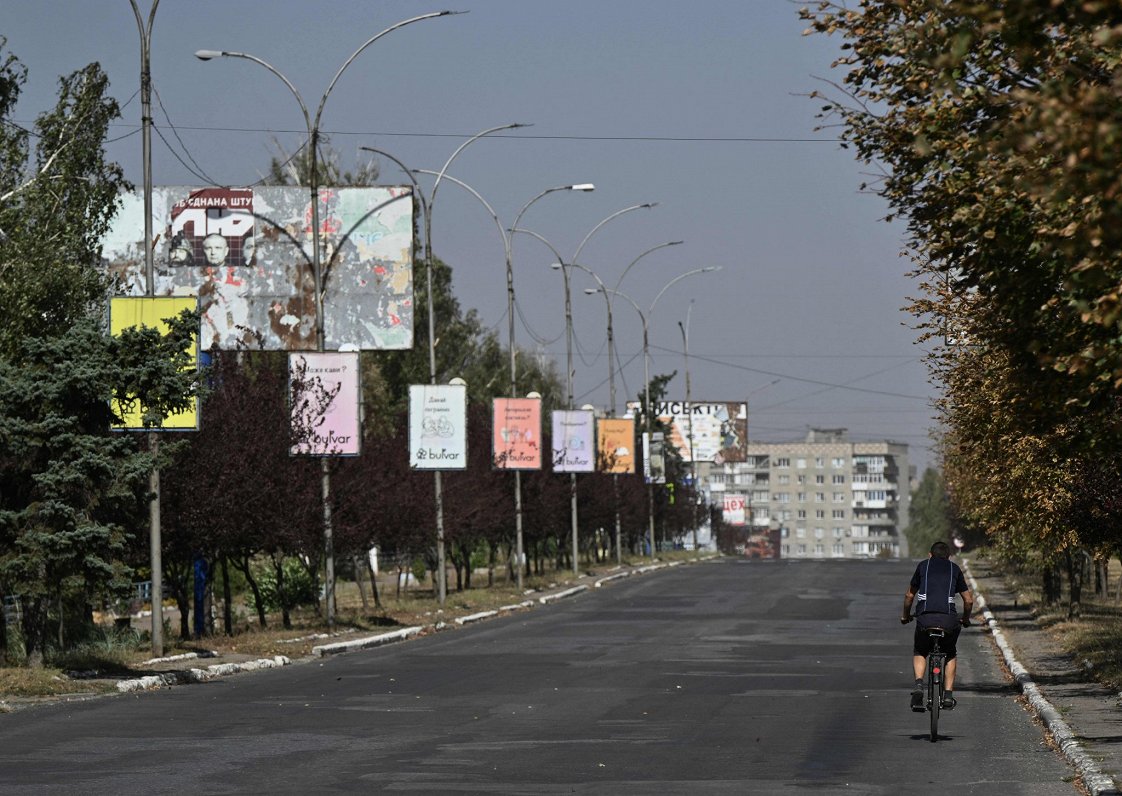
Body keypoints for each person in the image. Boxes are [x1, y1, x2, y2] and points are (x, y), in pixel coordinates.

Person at [901, 540, 974, 711]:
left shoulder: (923, 566)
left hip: (925, 619)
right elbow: (968, 600)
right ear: (949, 557)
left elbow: (909, 596)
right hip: (949, 621)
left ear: (929, 555)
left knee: (920, 650)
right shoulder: (954, 569)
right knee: (950, 653)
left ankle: (919, 685)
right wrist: (966, 619)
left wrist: (905, 616)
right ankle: (948, 696)